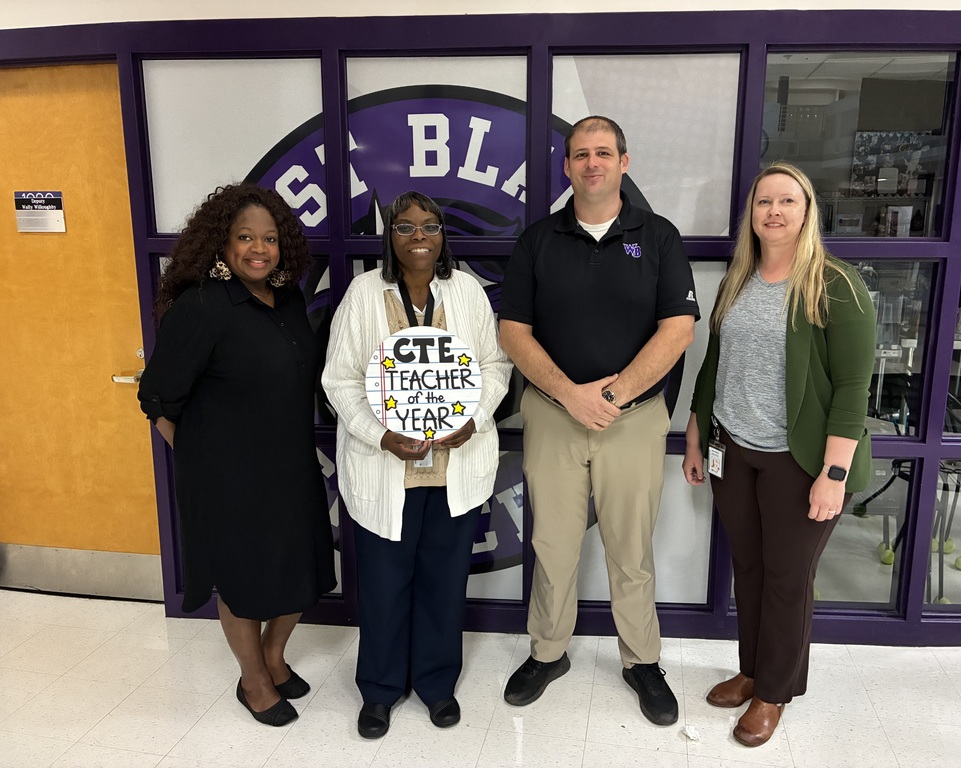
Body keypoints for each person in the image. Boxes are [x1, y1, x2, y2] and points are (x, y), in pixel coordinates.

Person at [498, 115, 699, 726]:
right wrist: (568, 394)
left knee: (630, 549)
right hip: (554, 416)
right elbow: (513, 332)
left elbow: (679, 329)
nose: (592, 163)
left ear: (623, 163)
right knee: (552, 543)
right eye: (581, 154)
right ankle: (548, 652)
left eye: (603, 153)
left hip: (633, 419)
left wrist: (611, 397)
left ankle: (641, 662)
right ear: (567, 167)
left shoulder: (658, 237)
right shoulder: (537, 241)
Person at [682, 162, 875, 747]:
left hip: (803, 460)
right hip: (736, 452)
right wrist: (696, 435)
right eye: (764, 201)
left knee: (789, 579)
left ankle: (775, 691)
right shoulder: (737, 280)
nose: (774, 211)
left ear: (807, 211)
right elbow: (713, 364)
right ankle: (753, 669)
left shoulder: (835, 285)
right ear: (752, 214)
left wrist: (832, 475)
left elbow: (851, 390)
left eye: (787, 201)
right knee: (751, 570)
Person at [138, 184, 337, 727]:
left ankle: (273, 656)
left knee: (302, 570)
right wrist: (205, 458)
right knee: (245, 582)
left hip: (291, 467)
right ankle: (253, 680)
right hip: (228, 479)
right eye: (245, 237)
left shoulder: (288, 297)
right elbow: (156, 399)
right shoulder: (200, 307)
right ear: (221, 243)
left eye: (269, 238)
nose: (259, 248)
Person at [322, 191, 511, 740]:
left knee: (443, 583)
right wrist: (381, 434)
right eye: (405, 227)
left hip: (455, 467)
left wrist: (472, 419)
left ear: (443, 234)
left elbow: (495, 365)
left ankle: (436, 684)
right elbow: (340, 380)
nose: (419, 236)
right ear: (390, 236)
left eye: (429, 226)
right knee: (383, 585)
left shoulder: (467, 291)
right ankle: (380, 690)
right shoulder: (363, 293)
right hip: (387, 472)